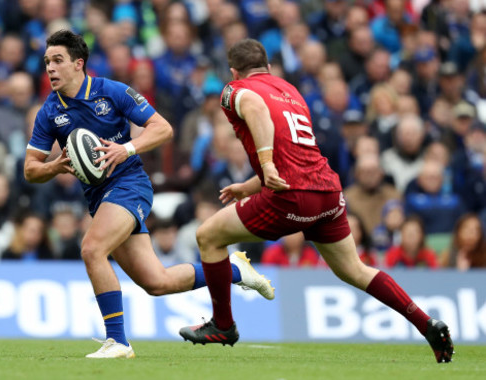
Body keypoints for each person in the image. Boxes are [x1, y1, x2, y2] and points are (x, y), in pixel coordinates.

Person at [178, 39, 454, 364]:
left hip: (291, 197)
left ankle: (223, 325)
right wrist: (250, 185)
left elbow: (256, 111)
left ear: (234, 71)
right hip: (327, 191)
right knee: (354, 269)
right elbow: (293, 154)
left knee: (207, 236)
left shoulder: (234, 90)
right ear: (268, 67)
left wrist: (265, 166)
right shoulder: (290, 92)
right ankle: (426, 324)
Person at [23, 30, 274, 359]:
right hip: (100, 198)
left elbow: (163, 129)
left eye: (58, 61)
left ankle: (118, 342)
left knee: (92, 248)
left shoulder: (111, 91)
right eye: (46, 62)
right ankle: (238, 271)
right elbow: (30, 169)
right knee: (157, 282)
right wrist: (56, 166)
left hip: (130, 184)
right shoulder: (49, 112)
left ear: (78, 64)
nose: (50, 69)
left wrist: (125, 149)